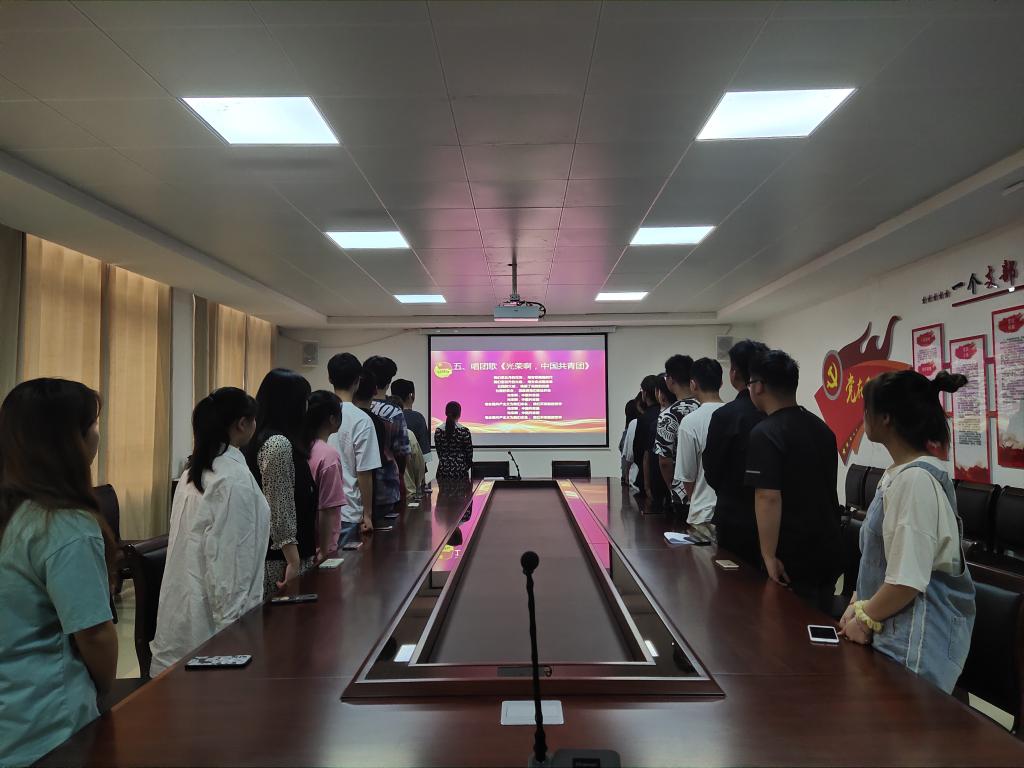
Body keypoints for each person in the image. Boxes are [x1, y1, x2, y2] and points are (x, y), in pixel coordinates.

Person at [0, 379, 118, 766]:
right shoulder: (64, 524)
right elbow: (94, 634)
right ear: (69, 441)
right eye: (93, 424)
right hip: (48, 726)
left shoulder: (14, 514)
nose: (97, 434)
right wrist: (104, 691)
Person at [839, 370, 976, 693]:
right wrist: (857, 602)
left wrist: (864, 618)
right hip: (890, 632)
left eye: (867, 408)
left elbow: (906, 581)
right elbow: (878, 561)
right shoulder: (897, 474)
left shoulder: (916, 481)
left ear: (886, 417)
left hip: (914, 646)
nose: (863, 416)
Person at [150, 387, 270, 677]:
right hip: (214, 635)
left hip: (185, 620)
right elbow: (231, 567)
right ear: (242, 424)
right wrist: (234, 639)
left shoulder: (194, 472)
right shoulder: (233, 480)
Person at [745, 350, 843, 612]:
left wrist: (768, 554)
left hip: (792, 552)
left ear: (759, 386)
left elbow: (767, 496)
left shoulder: (765, 433)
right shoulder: (822, 428)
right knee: (820, 618)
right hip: (829, 545)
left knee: (788, 622)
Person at [245, 369, 316, 597]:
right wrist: (293, 561)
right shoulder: (277, 444)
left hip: (287, 554)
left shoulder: (269, 439)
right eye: (304, 401)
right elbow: (279, 506)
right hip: (282, 561)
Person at [704, 339, 769, 567]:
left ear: (734, 373)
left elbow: (712, 470)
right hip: (779, 522)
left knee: (734, 583)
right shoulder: (777, 415)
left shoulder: (726, 415)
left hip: (734, 518)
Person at [327, 353, 380, 549]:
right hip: (349, 511)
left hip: (320, 511)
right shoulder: (362, 420)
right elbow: (364, 472)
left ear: (330, 378)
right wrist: (368, 514)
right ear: (358, 381)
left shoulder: (318, 413)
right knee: (349, 566)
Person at [675, 358, 725, 536]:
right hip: (732, 512)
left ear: (693, 385)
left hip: (703, 513)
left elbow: (687, 476)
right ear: (721, 382)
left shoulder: (690, 421)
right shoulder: (735, 414)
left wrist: (696, 501)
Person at [362, 356, 411, 517]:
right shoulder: (395, 412)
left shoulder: (355, 409)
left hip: (355, 491)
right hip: (386, 487)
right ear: (389, 381)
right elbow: (402, 452)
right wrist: (399, 475)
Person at [353, 373, 401, 530]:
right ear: (374, 390)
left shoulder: (338, 415)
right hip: (379, 491)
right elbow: (367, 469)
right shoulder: (375, 420)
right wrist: (367, 513)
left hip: (343, 500)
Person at [303, 390, 345, 561]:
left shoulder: (300, 447)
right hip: (322, 545)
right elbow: (327, 508)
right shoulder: (329, 455)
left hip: (303, 541)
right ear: (332, 419)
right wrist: (325, 550)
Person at [657, 355, 701, 512]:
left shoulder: (668, 415)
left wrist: (672, 486)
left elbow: (664, 460)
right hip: (709, 491)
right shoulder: (704, 408)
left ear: (670, 380)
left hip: (682, 494)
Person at [632, 374, 662, 500]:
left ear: (644, 393)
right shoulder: (666, 414)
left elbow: (638, 451)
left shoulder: (644, 419)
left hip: (648, 478)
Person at [391, 378, 430, 460]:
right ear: (411, 395)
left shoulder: (387, 415)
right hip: (412, 466)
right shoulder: (418, 418)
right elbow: (425, 456)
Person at [435, 401, 473, 482]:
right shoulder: (464, 431)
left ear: (446, 413)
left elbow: (439, 452)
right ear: (459, 414)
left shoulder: (438, 431)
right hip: (460, 471)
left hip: (443, 471)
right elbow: (469, 454)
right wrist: (464, 466)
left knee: (444, 490)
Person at [619, 398, 640, 487]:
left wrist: (625, 476)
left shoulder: (629, 430)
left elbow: (626, 457)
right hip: (633, 479)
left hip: (631, 479)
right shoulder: (633, 428)